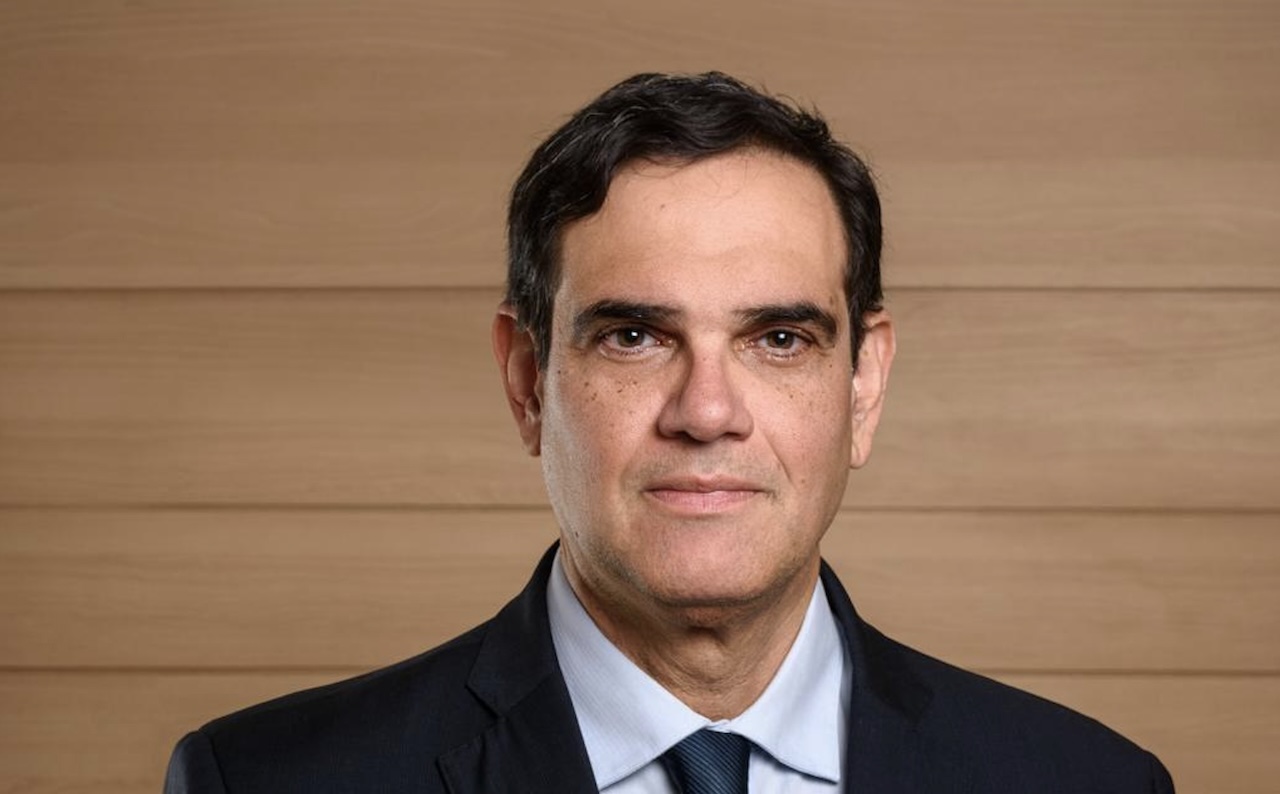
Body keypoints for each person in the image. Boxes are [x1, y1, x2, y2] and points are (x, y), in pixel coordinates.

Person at [164, 72, 1174, 793]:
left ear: (863, 384)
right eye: (634, 336)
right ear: (526, 381)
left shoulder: (1088, 781)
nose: (705, 411)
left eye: (778, 338)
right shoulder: (263, 779)